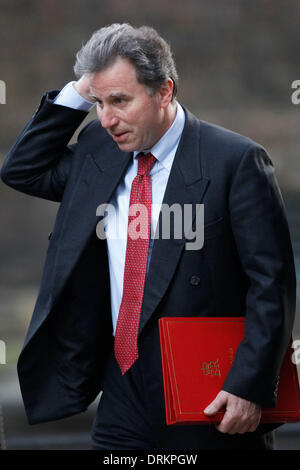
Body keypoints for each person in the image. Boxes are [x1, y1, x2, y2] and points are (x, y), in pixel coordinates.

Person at [0, 23, 296, 450]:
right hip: (120, 389)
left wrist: (249, 384)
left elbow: (273, 285)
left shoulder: (235, 161)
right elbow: (22, 169)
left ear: (164, 91)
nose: (106, 118)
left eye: (119, 100)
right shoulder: (98, 150)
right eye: (98, 102)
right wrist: (78, 91)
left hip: (208, 390)